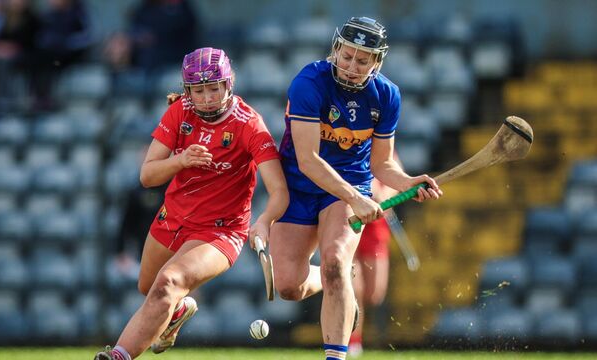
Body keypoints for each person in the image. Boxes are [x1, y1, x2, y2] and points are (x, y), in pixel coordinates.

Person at [94, 47, 288, 360]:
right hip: (172, 217)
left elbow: (279, 189)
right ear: (187, 90)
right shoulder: (179, 111)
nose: (207, 97)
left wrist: (265, 220)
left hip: (220, 231)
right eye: (198, 90)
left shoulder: (249, 124)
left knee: (168, 281)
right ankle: (181, 309)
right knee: (150, 289)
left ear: (229, 84)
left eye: (214, 88)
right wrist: (181, 160)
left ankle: (118, 355)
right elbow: (147, 175)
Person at [270, 17, 442, 360]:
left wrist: (408, 182)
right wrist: (357, 198)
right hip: (301, 184)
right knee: (288, 285)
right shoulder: (309, 82)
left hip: (349, 184)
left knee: (333, 259)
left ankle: (337, 354)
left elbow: (381, 163)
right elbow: (308, 160)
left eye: (362, 60)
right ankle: (342, 275)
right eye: (346, 56)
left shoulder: (387, 95)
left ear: (377, 62)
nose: (351, 66)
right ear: (336, 49)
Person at [348, 178, 396, 357]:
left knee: (375, 294)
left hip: (375, 221)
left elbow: (394, 176)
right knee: (353, 286)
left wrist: (385, 196)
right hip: (347, 213)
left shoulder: (382, 148)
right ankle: (353, 341)